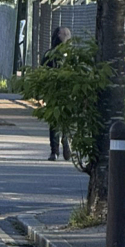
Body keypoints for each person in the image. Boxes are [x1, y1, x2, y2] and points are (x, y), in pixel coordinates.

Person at [44, 26, 73, 161]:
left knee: (60, 120)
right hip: (60, 91)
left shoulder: (53, 55)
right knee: (60, 120)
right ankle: (60, 145)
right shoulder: (55, 55)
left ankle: (60, 146)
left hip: (60, 91)